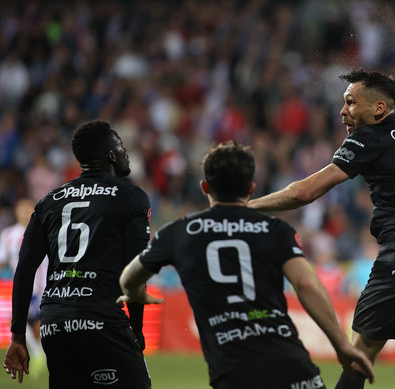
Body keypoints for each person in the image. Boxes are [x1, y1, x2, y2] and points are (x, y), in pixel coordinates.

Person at [248, 70, 395, 389]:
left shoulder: (369, 137)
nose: (343, 111)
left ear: (379, 108)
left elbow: (305, 192)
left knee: (357, 362)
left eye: (351, 102)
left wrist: (246, 206)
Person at [117, 141, 374, 389]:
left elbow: (128, 278)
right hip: (291, 362)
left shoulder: (178, 232)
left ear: (205, 187)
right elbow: (305, 284)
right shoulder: (277, 230)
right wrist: (342, 345)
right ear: (252, 188)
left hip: (234, 372)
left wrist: (136, 292)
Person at [3, 120, 152, 388]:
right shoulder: (131, 197)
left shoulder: (48, 202)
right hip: (103, 319)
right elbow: (135, 268)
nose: (125, 151)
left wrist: (18, 335)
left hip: (54, 325)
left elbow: (24, 269)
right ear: (111, 155)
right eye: (120, 145)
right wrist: (137, 329)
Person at [0, 198, 49, 377]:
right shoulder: (8, 235)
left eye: (28, 207)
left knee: (36, 326)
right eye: (21, 208)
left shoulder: (44, 229)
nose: (25, 211)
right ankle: (39, 355)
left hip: (43, 287)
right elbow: (2, 260)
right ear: (15, 211)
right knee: (23, 322)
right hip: (23, 287)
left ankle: (40, 355)